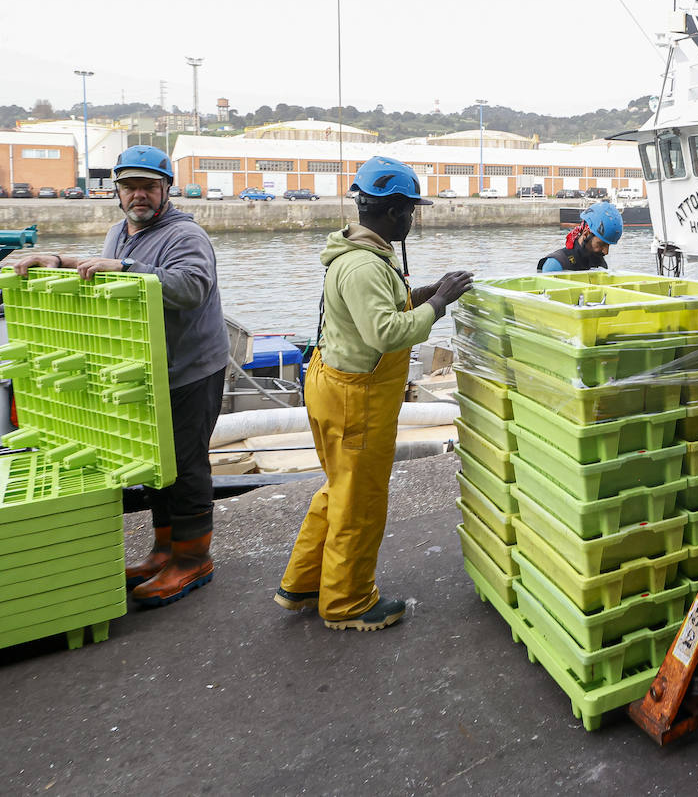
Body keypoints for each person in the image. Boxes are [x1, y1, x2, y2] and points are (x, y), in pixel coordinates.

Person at [12, 145, 229, 607]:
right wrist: (62, 260)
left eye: (149, 186)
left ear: (166, 189)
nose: (138, 196)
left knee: (186, 465)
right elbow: (105, 275)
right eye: (129, 187)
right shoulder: (119, 232)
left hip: (189, 370)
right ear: (115, 191)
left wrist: (127, 268)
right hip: (146, 368)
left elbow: (190, 288)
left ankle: (193, 559)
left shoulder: (185, 236)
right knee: (151, 459)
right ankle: (163, 550)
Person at [276, 156, 473, 631]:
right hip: (355, 397)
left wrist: (429, 292)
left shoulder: (359, 255)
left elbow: (383, 307)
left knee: (338, 489)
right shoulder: (364, 266)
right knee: (359, 501)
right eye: (410, 211)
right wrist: (440, 304)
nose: (412, 219)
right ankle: (348, 603)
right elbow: (386, 332)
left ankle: (303, 581)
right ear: (394, 212)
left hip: (332, 382)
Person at [538, 201, 622, 272]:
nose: (606, 252)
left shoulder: (601, 265)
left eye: (608, 245)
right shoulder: (556, 264)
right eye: (600, 244)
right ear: (586, 234)